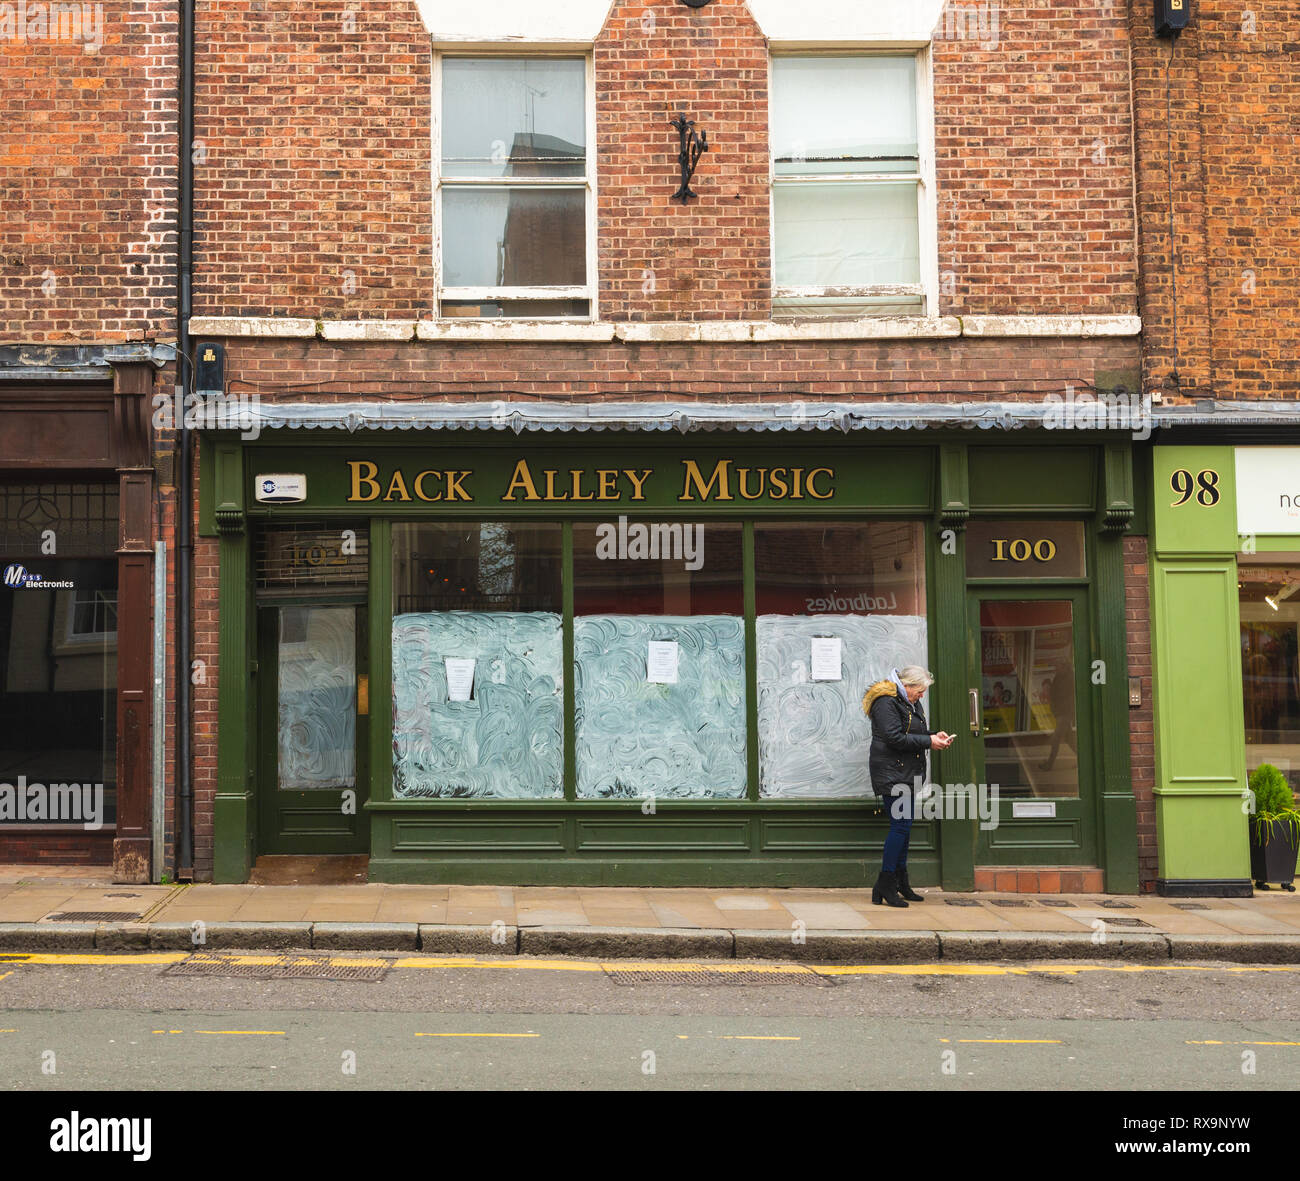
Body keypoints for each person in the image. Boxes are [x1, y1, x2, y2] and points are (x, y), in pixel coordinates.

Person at [862, 666, 954, 907]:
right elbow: (894, 737)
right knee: (900, 827)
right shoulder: (886, 702)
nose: (922, 696)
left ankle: (899, 883)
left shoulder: (907, 701)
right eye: (920, 691)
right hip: (892, 774)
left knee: (903, 828)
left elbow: (914, 732)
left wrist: (935, 736)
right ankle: (886, 883)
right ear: (908, 686)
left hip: (905, 773)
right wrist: (928, 741)